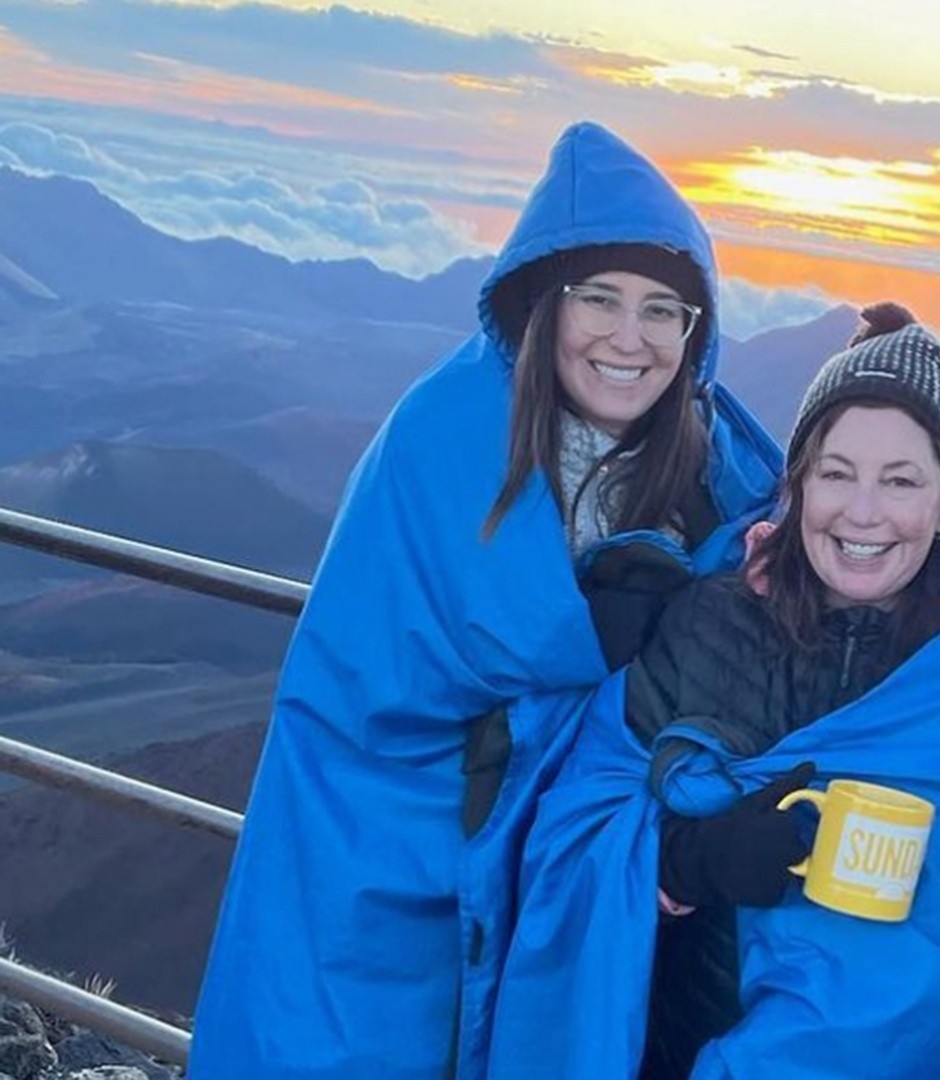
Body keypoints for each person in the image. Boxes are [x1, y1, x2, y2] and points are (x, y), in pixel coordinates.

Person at [189, 122, 783, 1079]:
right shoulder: (446, 438)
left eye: (664, 310)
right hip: (388, 847)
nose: (631, 339)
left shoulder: (712, 469)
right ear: (545, 302)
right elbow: (372, 681)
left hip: (561, 874)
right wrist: (590, 636)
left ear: (695, 331)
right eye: (601, 299)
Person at [482, 305, 940, 1079]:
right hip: (673, 1052)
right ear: (799, 488)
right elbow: (571, 832)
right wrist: (685, 866)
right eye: (836, 473)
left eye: (901, 480)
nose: (863, 512)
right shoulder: (709, 624)